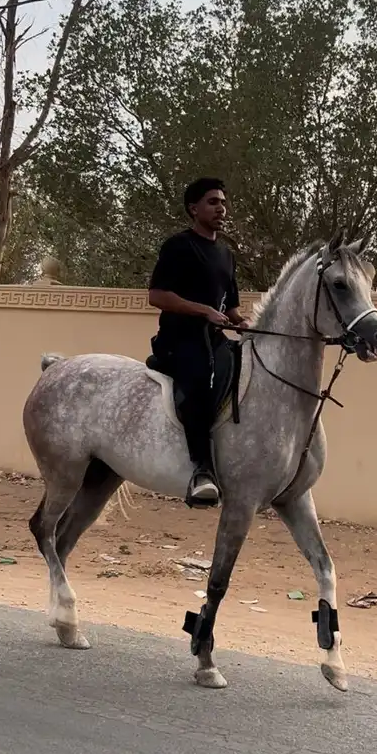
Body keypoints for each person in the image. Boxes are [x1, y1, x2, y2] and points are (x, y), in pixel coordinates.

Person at [147, 177, 250, 507]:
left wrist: (243, 322)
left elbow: (230, 306)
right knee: (201, 381)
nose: (221, 208)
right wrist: (203, 310)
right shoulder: (179, 246)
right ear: (194, 208)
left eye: (223, 202)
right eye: (213, 202)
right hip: (180, 341)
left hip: (214, 340)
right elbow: (157, 295)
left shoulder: (226, 255)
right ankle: (202, 471)